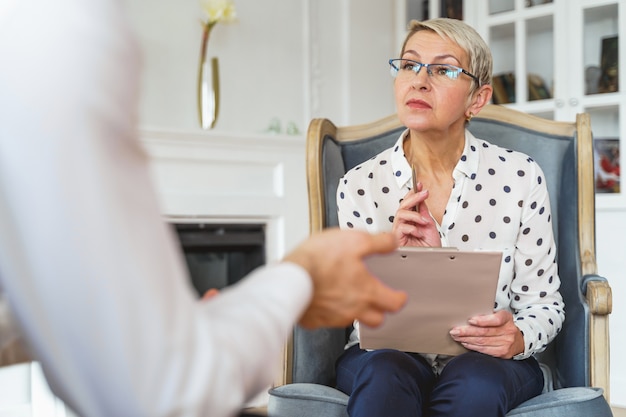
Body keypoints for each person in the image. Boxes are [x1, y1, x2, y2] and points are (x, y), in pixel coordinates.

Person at [0, 1, 407, 417]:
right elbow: (165, 391)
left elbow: (73, 314)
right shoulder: (63, 28)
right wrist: (299, 279)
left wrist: (180, 325)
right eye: (408, 65)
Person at [334, 18, 565, 417]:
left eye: (443, 70)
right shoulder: (359, 185)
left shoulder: (520, 176)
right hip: (388, 355)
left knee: (476, 384)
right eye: (409, 65)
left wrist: (518, 337)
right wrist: (391, 259)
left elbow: (544, 304)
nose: (419, 81)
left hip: (486, 360)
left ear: (477, 99)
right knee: (384, 375)